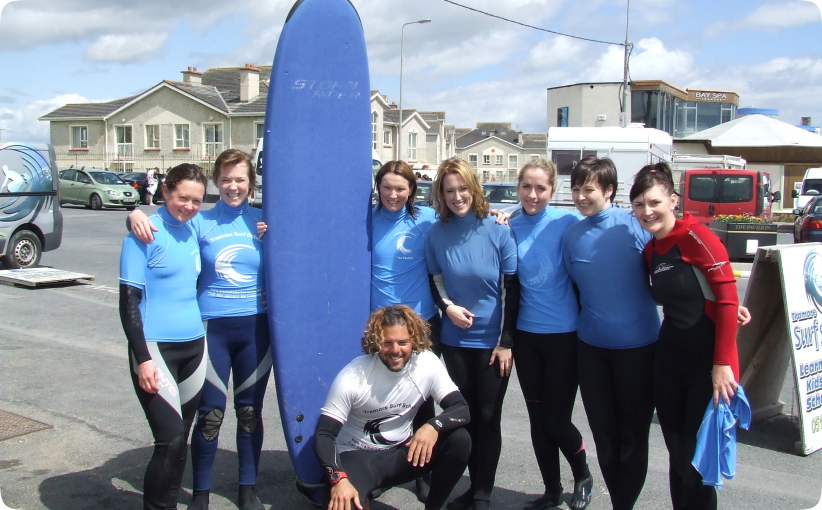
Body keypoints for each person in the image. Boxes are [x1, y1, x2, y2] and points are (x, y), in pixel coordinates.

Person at [128, 150, 269, 510]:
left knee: (250, 411)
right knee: (211, 415)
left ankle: (247, 487)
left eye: (240, 179)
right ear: (215, 183)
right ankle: (202, 491)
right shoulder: (199, 221)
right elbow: (163, 222)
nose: (232, 186)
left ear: (251, 184)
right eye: (225, 179)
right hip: (210, 329)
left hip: (256, 329)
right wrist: (133, 214)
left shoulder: (266, 222)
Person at [630, 162, 740, 510]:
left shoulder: (698, 237)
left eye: (654, 202)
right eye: (638, 205)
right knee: (677, 455)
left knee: (697, 460)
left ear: (673, 200)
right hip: (669, 361)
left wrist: (722, 363)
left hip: (706, 366)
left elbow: (727, 299)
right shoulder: (651, 250)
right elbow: (676, 295)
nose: (647, 212)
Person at [560, 156, 659, 510]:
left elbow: (674, 265)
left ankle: (623, 506)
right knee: (604, 436)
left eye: (589, 189)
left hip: (639, 347)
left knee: (633, 435)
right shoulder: (571, 234)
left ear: (609, 190)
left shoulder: (634, 226)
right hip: (592, 349)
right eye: (575, 189)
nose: (581, 196)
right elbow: (574, 285)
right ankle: (620, 502)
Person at [425, 157, 519, 510]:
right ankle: (465, 487)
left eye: (463, 188)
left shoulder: (497, 228)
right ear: (441, 194)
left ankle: (482, 493)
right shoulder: (437, 233)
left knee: (488, 416)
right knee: (462, 418)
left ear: (474, 188)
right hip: (454, 341)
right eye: (449, 191)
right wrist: (447, 307)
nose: (457, 196)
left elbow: (513, 288)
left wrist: (506, 342)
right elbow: (435, 281)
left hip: (493, 343)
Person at [314, 305, 472, 510]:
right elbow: (324, 434)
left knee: (460, 440)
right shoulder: (354, 375)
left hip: (402, 454)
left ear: (414, 341)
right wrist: (338, 479)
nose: (395, 350)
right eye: (387, 343)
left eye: (403, 342)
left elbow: (461, 408)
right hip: (357, 458)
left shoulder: (427, 364)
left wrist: (433, 425)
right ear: (376, 341)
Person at [119, 163, 209, 510]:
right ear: (166, 191)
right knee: (169, 439)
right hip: (155, 349)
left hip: (194, 348)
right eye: (182, 197)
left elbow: (232, 220)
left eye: (197, 200)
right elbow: (128, 303)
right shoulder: (143, 234)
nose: (188, 206)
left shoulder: (193, 228)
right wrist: (142, 358)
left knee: (180, 440)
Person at [508, 159, 593, 510]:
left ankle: (583, 473)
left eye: (541, 188)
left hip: (564, 336)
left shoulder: (567, 222)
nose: (533, 194)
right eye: (526, 187)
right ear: (518, 187)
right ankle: (552, 490)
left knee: (556, 418)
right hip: (527, 338)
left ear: (552, 190)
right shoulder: (509, 224)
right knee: (537, 420)